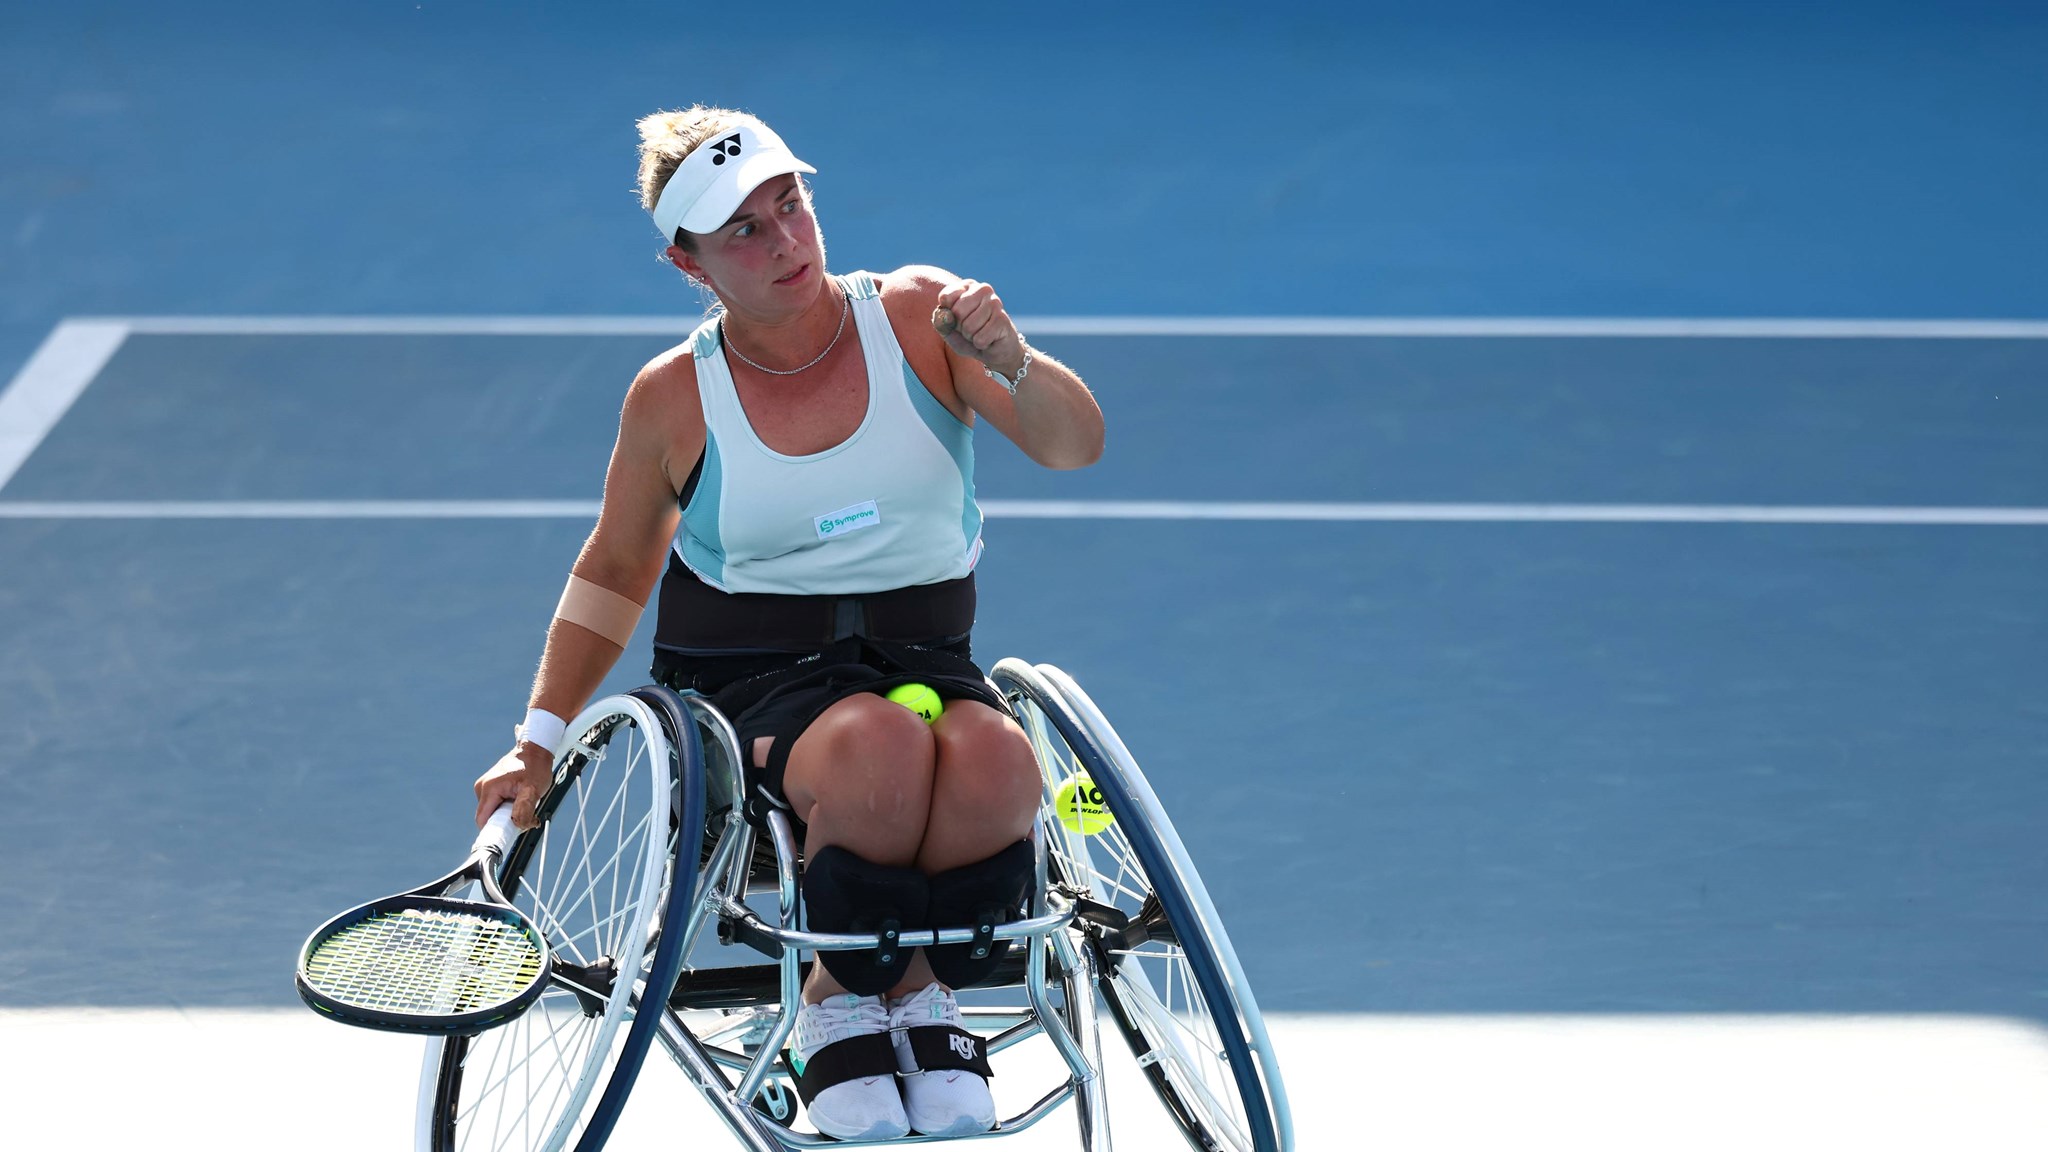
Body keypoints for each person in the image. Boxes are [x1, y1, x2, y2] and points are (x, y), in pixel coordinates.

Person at [472, 106, 1105, 1140]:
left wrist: (1014, 358)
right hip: (753, 679)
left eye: (790, 205)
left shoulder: (916, 318)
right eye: (745, 233)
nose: (786, 242)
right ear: (688, 263)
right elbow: (616, 568)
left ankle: (916, 995)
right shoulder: (675, 397)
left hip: (922, 656)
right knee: (872, 746)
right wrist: (535, 738)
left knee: (997, 764)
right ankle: (833, 1006)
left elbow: (1072, 446)